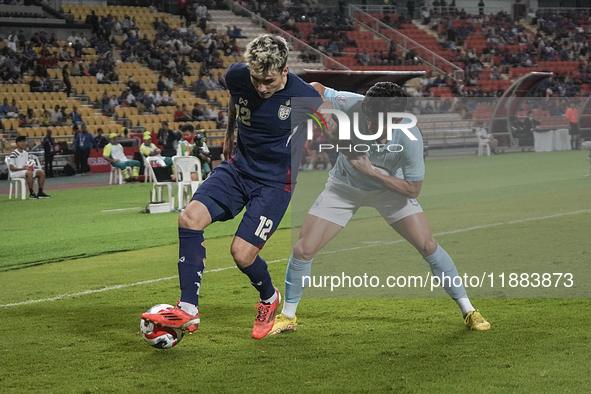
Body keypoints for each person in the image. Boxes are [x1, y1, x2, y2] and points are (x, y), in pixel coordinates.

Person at [268, 82, 490, 336]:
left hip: (389, 191)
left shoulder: (410, 138)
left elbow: (412, 189)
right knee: (303, 249)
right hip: (344, 187)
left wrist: (370, 172)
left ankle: (468, 310)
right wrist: (324, 113)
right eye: (368, 118)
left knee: (428, 245)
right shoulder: (352, 102)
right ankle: (287, 316)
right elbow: (315, 88)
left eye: (377, 121)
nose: (369, 125)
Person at [141, 34, 323, 339]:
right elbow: (236, 97)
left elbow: (320, 97)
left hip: (275, 183)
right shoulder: (237, 76)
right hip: (238, 168)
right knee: (188, 219)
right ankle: (188, 309)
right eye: (256, 79)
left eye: (268, 80)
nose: (261, 87)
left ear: (284, 71)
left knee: (241, 254)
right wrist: (229, 132)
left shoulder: (304, 96)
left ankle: (269, 298)